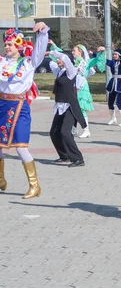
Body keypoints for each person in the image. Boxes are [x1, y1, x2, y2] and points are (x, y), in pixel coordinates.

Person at [0, 23, 49, 199]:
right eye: (5, 44)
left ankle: (34, 186)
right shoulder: (1, 62)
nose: (7, 47)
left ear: (19, 45)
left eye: (10, 44)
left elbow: (40, 50)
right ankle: (1, 180)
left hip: (20, 107)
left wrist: (42, 31)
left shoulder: (29, 62)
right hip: (2, 106)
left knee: (21, 148)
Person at [48, 51, 86, 168]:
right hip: (60, 106)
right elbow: (51, 64)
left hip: (69, 106)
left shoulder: (71, 72)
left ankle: (78, 158)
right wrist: (47, 53)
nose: (58, 60)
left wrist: (54, 52)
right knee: (54, 132)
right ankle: (64, 155)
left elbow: (64, 58)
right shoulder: (60, 72)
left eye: (60, 59)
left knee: (65, 132)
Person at [100, 46, 121, 126]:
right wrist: (97, 53)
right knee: (110, 102)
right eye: (114, 54)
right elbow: (103, 60)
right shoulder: (112, 62)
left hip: (120, 84)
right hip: (113, 83)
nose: (114, 56)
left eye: (116, 54)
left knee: (119, 102)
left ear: (119, 55)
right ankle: (113, 119)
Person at [71, 44, 96, 138]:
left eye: (74, 50)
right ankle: (74, 128)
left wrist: (102, 52)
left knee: (80, 108)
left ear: (80, 52)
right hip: (75, 84)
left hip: (81, 86)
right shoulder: (75, 62)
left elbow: (95, 63)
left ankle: (86, 130)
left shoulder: (84, 62)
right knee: (74, 108)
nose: (72, 52)